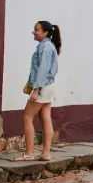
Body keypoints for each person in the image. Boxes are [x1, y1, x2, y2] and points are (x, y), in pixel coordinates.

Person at [15, 21, 61, 162]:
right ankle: (46, 153)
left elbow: (42, 70)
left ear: (45, 32)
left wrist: (35, 90)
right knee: (45, 118)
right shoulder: (48, 46)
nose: (34, 32)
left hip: (42, 87)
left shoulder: (46, 47)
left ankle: (29, 152)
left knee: (27, 117)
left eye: (36, 29)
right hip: (48, 86)